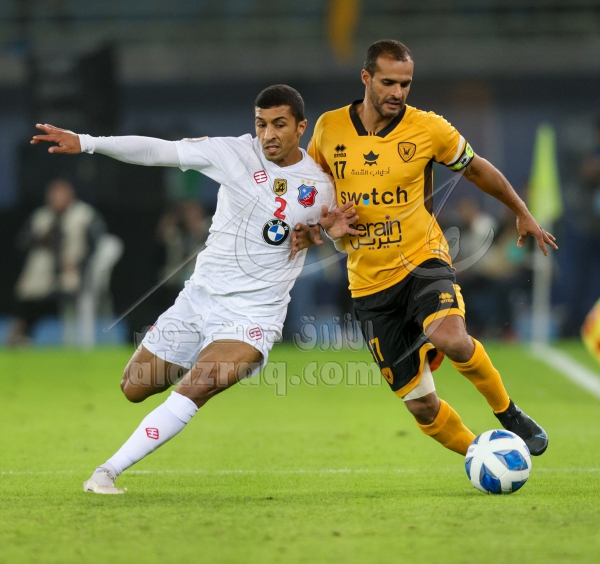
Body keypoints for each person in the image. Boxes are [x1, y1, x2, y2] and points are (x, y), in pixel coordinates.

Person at [31, 85, 359, 494]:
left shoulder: (321, 186)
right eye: (261, 124)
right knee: (134, 386)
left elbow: (335, 238)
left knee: (197, 386)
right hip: (199, 300)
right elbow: (159, 151)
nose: (268, 134)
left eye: (279, 124)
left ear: (300, 127)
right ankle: (205, 358)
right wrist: (87, 142)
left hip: (253, 315)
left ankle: (107, 472)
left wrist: (328, 236)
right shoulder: (233, 153)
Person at [293, 40, 557, 458]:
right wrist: (321, 225)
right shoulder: (329, 128)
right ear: (366, 78)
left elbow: (475, 168)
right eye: (388, 82)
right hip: (368, 282)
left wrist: (521, 211)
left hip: (421, 257)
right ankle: (482, 457)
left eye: (405, 83)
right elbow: (309, 193)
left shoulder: (429, 128)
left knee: (451, 338)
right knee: (421, 406)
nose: (397, 92)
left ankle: (508, 412)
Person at [9, 178, 106, 345]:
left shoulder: (84, 215)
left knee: (67, 293)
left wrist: (79, 264)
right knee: (28, 295)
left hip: (73, 271)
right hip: (44, 273)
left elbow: (97, 245)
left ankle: (79, 341)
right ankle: (22, 334)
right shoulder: (41, 216)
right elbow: (21, 243)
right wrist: (39, 239)